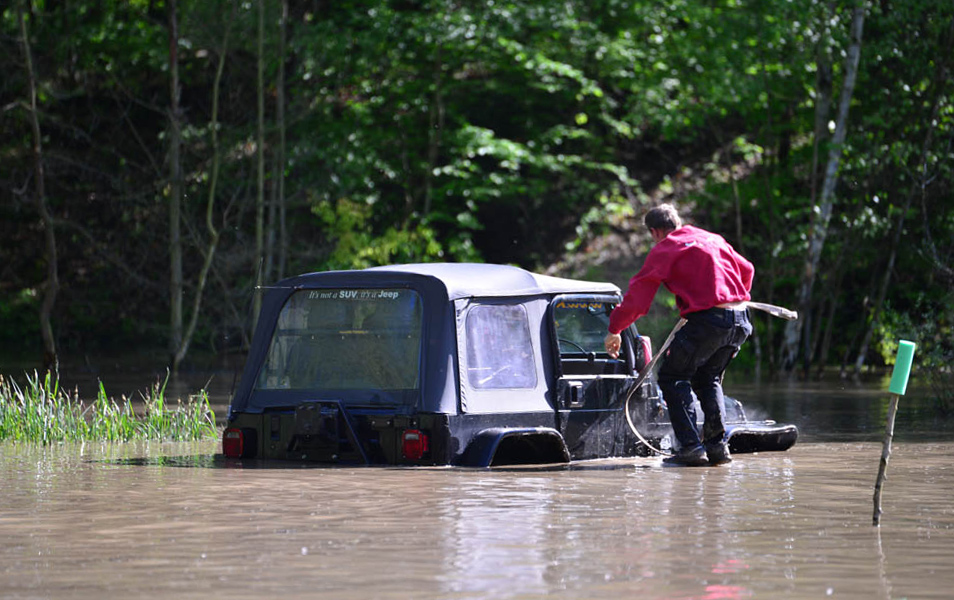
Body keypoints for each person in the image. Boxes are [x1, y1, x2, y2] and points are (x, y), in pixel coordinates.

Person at [604, 204, 754, 466]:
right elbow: (747, 269)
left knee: (673, 378)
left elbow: (638, 302)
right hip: (740, 320)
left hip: (709, 322)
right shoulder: (713, 239)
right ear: (677, 222)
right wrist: (731, 299)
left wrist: (614, 328)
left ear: (655, 231)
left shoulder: (666, 248)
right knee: (709, 378)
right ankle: (717, 448)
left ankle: (690, 448)